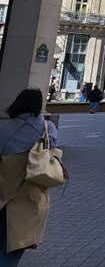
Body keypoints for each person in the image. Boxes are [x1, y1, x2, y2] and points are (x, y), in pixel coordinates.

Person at [0, 89, 59, 266]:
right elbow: (50, 153)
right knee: (14, 246)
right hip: (31, 194)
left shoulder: (3, 127)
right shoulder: (48, 129)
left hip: (3, 190)